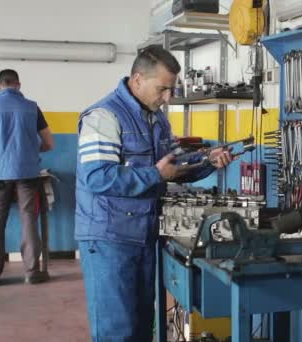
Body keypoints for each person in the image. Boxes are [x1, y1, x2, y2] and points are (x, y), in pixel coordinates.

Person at [75, 46, 233, 342]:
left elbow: (175, 165)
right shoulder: (104, 116)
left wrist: (208, 161)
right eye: (162, 89)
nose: (167, 98)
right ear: (137, 80)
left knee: (142, 325)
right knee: (117, 331)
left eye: (171, 90)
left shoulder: (157, 120)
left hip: (145, 235)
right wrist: (155, 174)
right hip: (109, 239)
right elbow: (97, 177)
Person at [0, 69, 54, 286]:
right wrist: (30, 151)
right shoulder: (31, 107)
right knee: (28, 218)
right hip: (27, 173)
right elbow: (48, 143)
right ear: (18, 84)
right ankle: (31, 272)